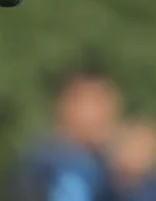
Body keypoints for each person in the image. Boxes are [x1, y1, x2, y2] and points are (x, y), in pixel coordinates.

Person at [7, 66, 122, 201]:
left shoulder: (97, 163)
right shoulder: (68, 166)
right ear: (67, 106)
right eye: (98, 103)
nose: (107, 114)